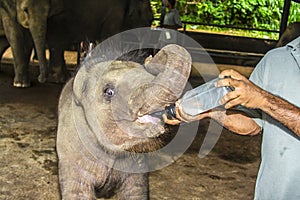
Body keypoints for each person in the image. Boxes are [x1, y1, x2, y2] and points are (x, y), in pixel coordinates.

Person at [164, 36, 300, 199]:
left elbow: (261, 100)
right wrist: (208, 111)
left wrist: (263, 100)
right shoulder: (276, 60)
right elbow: (252, 124)